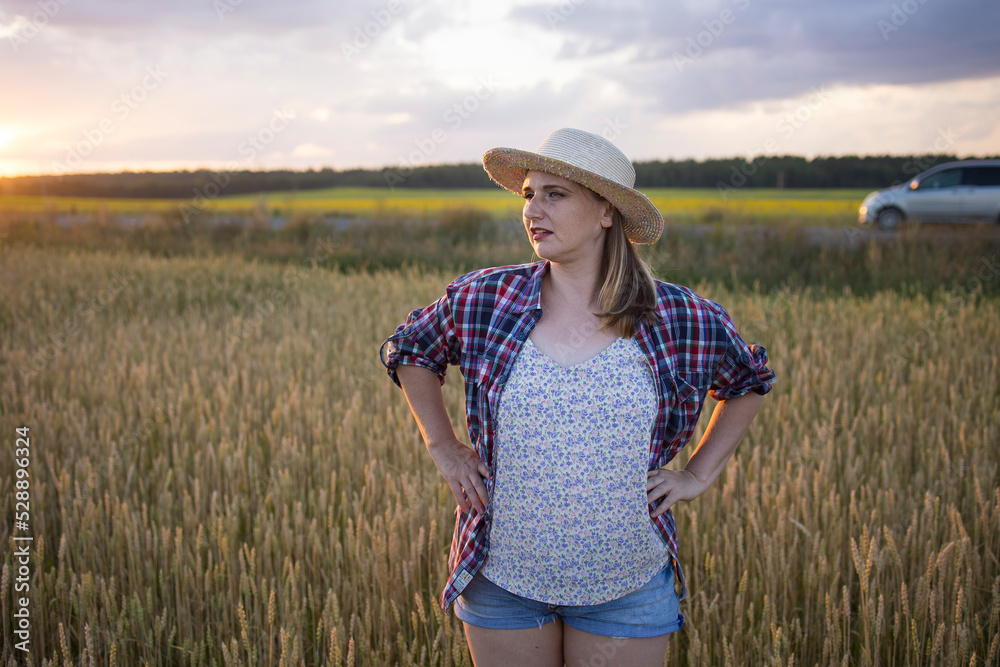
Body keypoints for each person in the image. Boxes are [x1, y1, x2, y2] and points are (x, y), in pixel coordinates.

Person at [380, 127, 775, 667]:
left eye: (555, 194)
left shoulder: (678, 315)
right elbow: (409, 349)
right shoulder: (486, 297)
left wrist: (697, 475)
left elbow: (747, 383)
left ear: (607, 211)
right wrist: (442, 445)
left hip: (627, 585)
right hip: (503, 582)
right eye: (528, 194)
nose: (532, 209)